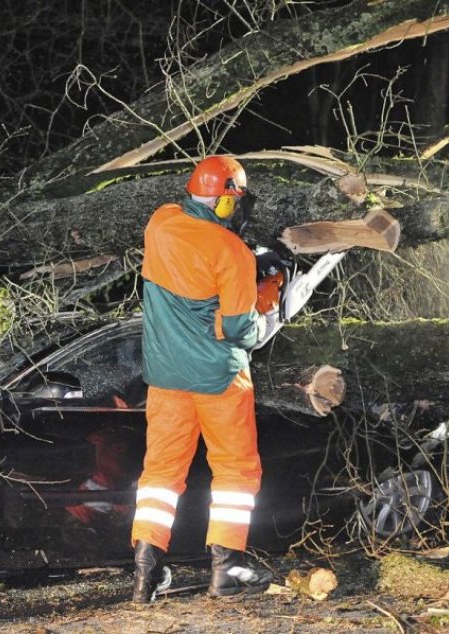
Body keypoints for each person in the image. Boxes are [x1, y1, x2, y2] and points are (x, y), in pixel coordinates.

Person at [131, 155, 277, 603]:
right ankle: (226, 570)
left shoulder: (160, 223)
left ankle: (145, 572)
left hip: (166, 378)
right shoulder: (232, 252)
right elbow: (239, 330)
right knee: (235, 471)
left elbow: (193, 272)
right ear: (226, 202)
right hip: (220, 380)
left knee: (160, 475)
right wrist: (264, 303)